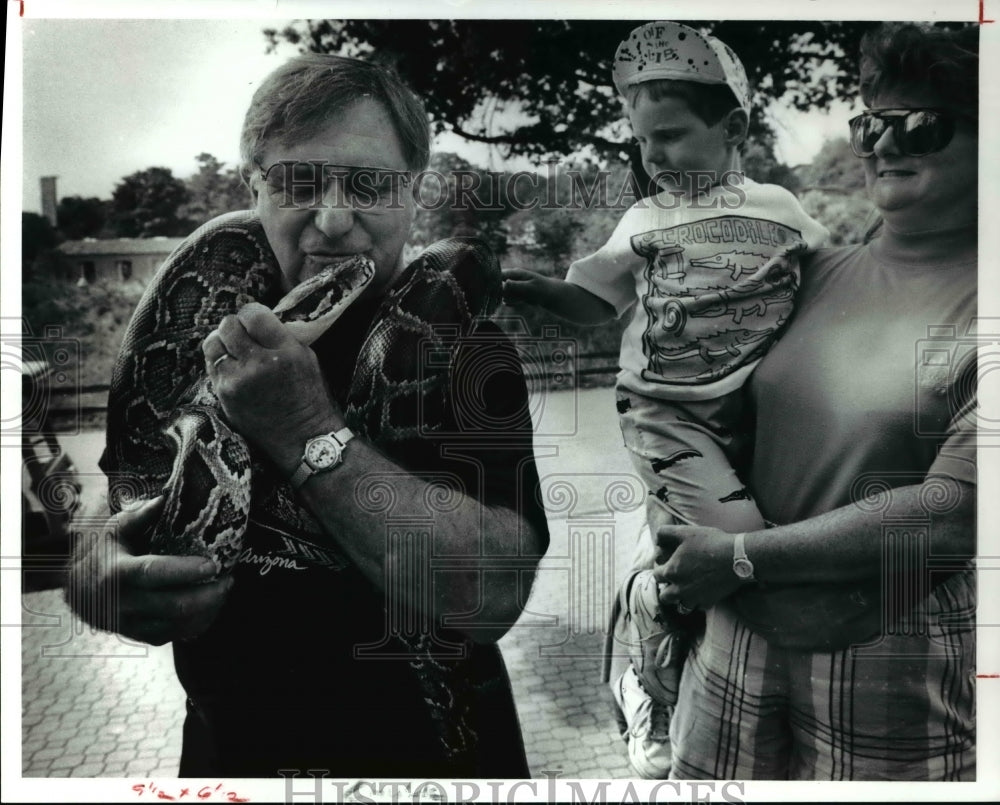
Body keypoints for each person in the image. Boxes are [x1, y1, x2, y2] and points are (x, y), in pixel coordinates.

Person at [65, 53, 550, 778]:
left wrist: (303, 428)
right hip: (231, 762)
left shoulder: (463, 349)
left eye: (368, 184)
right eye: (298, 182)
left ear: (413, 194)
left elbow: (495, 593)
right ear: (251, 190)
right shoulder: (202, 335)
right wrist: (92, 575)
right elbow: (128, 488)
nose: (333, 219)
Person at [651, 22, 978, 780]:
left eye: (921, 124)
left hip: (893, 641)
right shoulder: (805, 272)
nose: (884, 145)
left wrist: (738, 555)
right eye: (870, 124)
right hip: (735, 624)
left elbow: (951, 512)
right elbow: (693, 405)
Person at [502, 21, 826, 778]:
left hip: (754, 417)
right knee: (742, 545)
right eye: (643, 141)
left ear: (734, 127)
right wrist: (551, 293)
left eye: (672, 136)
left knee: (739, 540)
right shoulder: (645, 221)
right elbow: (596, 299)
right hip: (666, 414)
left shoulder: (780, 208)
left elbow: (835, 279)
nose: (653, 156)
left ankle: (661, 607)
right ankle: (645, 660)